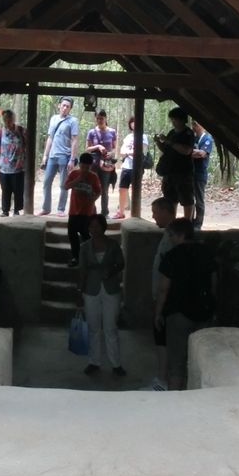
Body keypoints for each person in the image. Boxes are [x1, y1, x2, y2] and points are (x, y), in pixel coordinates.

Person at [154, 218, 217, 391]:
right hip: (203, 312)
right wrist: (212, 305)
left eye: (172, 235)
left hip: (178, 313)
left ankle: (175, 400)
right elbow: (214, 282)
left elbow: (163, 289)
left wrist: (158, 313)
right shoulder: (207, 253)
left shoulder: (172, 255)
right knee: (199, 360)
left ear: (180, 235)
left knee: (177, 362)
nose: (170, 239)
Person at [78, 213, 126, 377]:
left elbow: (121, 263)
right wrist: (79, 291)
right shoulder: (85, 247)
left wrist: (111, 271)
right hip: (91, 289)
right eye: (91, 226)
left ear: (103, 227)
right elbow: (82, 270)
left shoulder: (113, 245)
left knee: (110, 327)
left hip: (111, 288)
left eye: (97, 226)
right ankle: (94, 362)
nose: (94, 229)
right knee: (93, 328)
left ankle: (116, 364)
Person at [142, 197, 176, 391]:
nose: (153, 216)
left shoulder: (172, 238)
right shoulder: (168, 235)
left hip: (168, 298)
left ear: (165, 211)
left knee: (163, 339)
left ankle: (163, 381)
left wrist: (159, 303)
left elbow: (168, 276)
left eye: (155, 212)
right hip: (164, 296)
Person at [154, 106, 196, 220]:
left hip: (183, 173)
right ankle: (171, 222)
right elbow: (166, 149)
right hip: (169, 172)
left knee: (186, 199)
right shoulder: (172, 132)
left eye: (175, 119)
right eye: (172, 119)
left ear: (182, 120)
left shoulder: (188, 133)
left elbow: (187, 151)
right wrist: (158, 142)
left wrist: (169, 141)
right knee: (170, 199)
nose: (173, 122)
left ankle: (187, 223)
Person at [40, 97, 80, 215]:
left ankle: (61, 209)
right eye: (63, 105)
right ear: (59, 105)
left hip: (65, 156)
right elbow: (50, 138)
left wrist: (72, 159)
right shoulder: (53, 119)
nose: (65, 108)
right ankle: (46, 208)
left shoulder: (73, 121)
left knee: (63, 184)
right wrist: (45, 155)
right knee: (46, 182)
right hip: (52, 155)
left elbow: (74, 140)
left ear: (70, 108)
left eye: (68, 106)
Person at [63, 152, 101, 267]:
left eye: (87, 167)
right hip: (74, 210)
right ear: (79, 164)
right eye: (83, 166)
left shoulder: (93, 176)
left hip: (87, 211)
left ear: (91, 166)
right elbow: (66, 186)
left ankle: (89, 257)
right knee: (72, 233)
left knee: (85, 233)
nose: (85, 169)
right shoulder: (74, 174)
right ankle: (76, 257)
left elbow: (98, 192)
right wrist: (79, 179)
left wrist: (93, 199)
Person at [0, 108, 27, 216]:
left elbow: (27, 146)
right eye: (6, 120)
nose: (8, 122)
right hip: (4, 166)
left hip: (18, 166)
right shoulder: (0, 132)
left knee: (18, 190)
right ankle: (5, 210)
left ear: (13, 119)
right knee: (5, 190)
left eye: (10, 119)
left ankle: (17, 210)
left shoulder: (21, 130)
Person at [84, 108, 118, 216]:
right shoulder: (91, 132)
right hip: (94, 164)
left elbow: (114, 148)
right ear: (95, 118)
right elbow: (87, 149)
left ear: (105, 118)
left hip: (106, 164)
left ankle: (104, 213)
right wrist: (98, 146)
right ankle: (90, 211)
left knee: (104, 189)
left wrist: (110, 154)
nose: (100, 120)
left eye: (102, 118)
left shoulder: (112, 132)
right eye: (98, 118)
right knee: (91, 188)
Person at [113, 115, 144, 220]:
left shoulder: (143, 136)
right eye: (132, 122)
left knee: (136, 190)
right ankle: (121, 212)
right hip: (126, 166)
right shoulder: (128, 137)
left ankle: (135, 214)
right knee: (122, 189)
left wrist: (128, 152)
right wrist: (129, 152)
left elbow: (142, 151)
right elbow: (122, 151)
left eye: (136, 121)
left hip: (137, 167)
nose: (134, 124)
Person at [191, 120, 214, 230]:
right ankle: (190, 221)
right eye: (193, 124)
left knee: (199, 200)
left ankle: (198, 224)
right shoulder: (194, 139)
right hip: (191, 173)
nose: (193, 126)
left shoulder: (207, 139)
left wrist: (188, 152)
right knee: (190, 199)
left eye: (195, 124)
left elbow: (201, 154)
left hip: (200, 174)